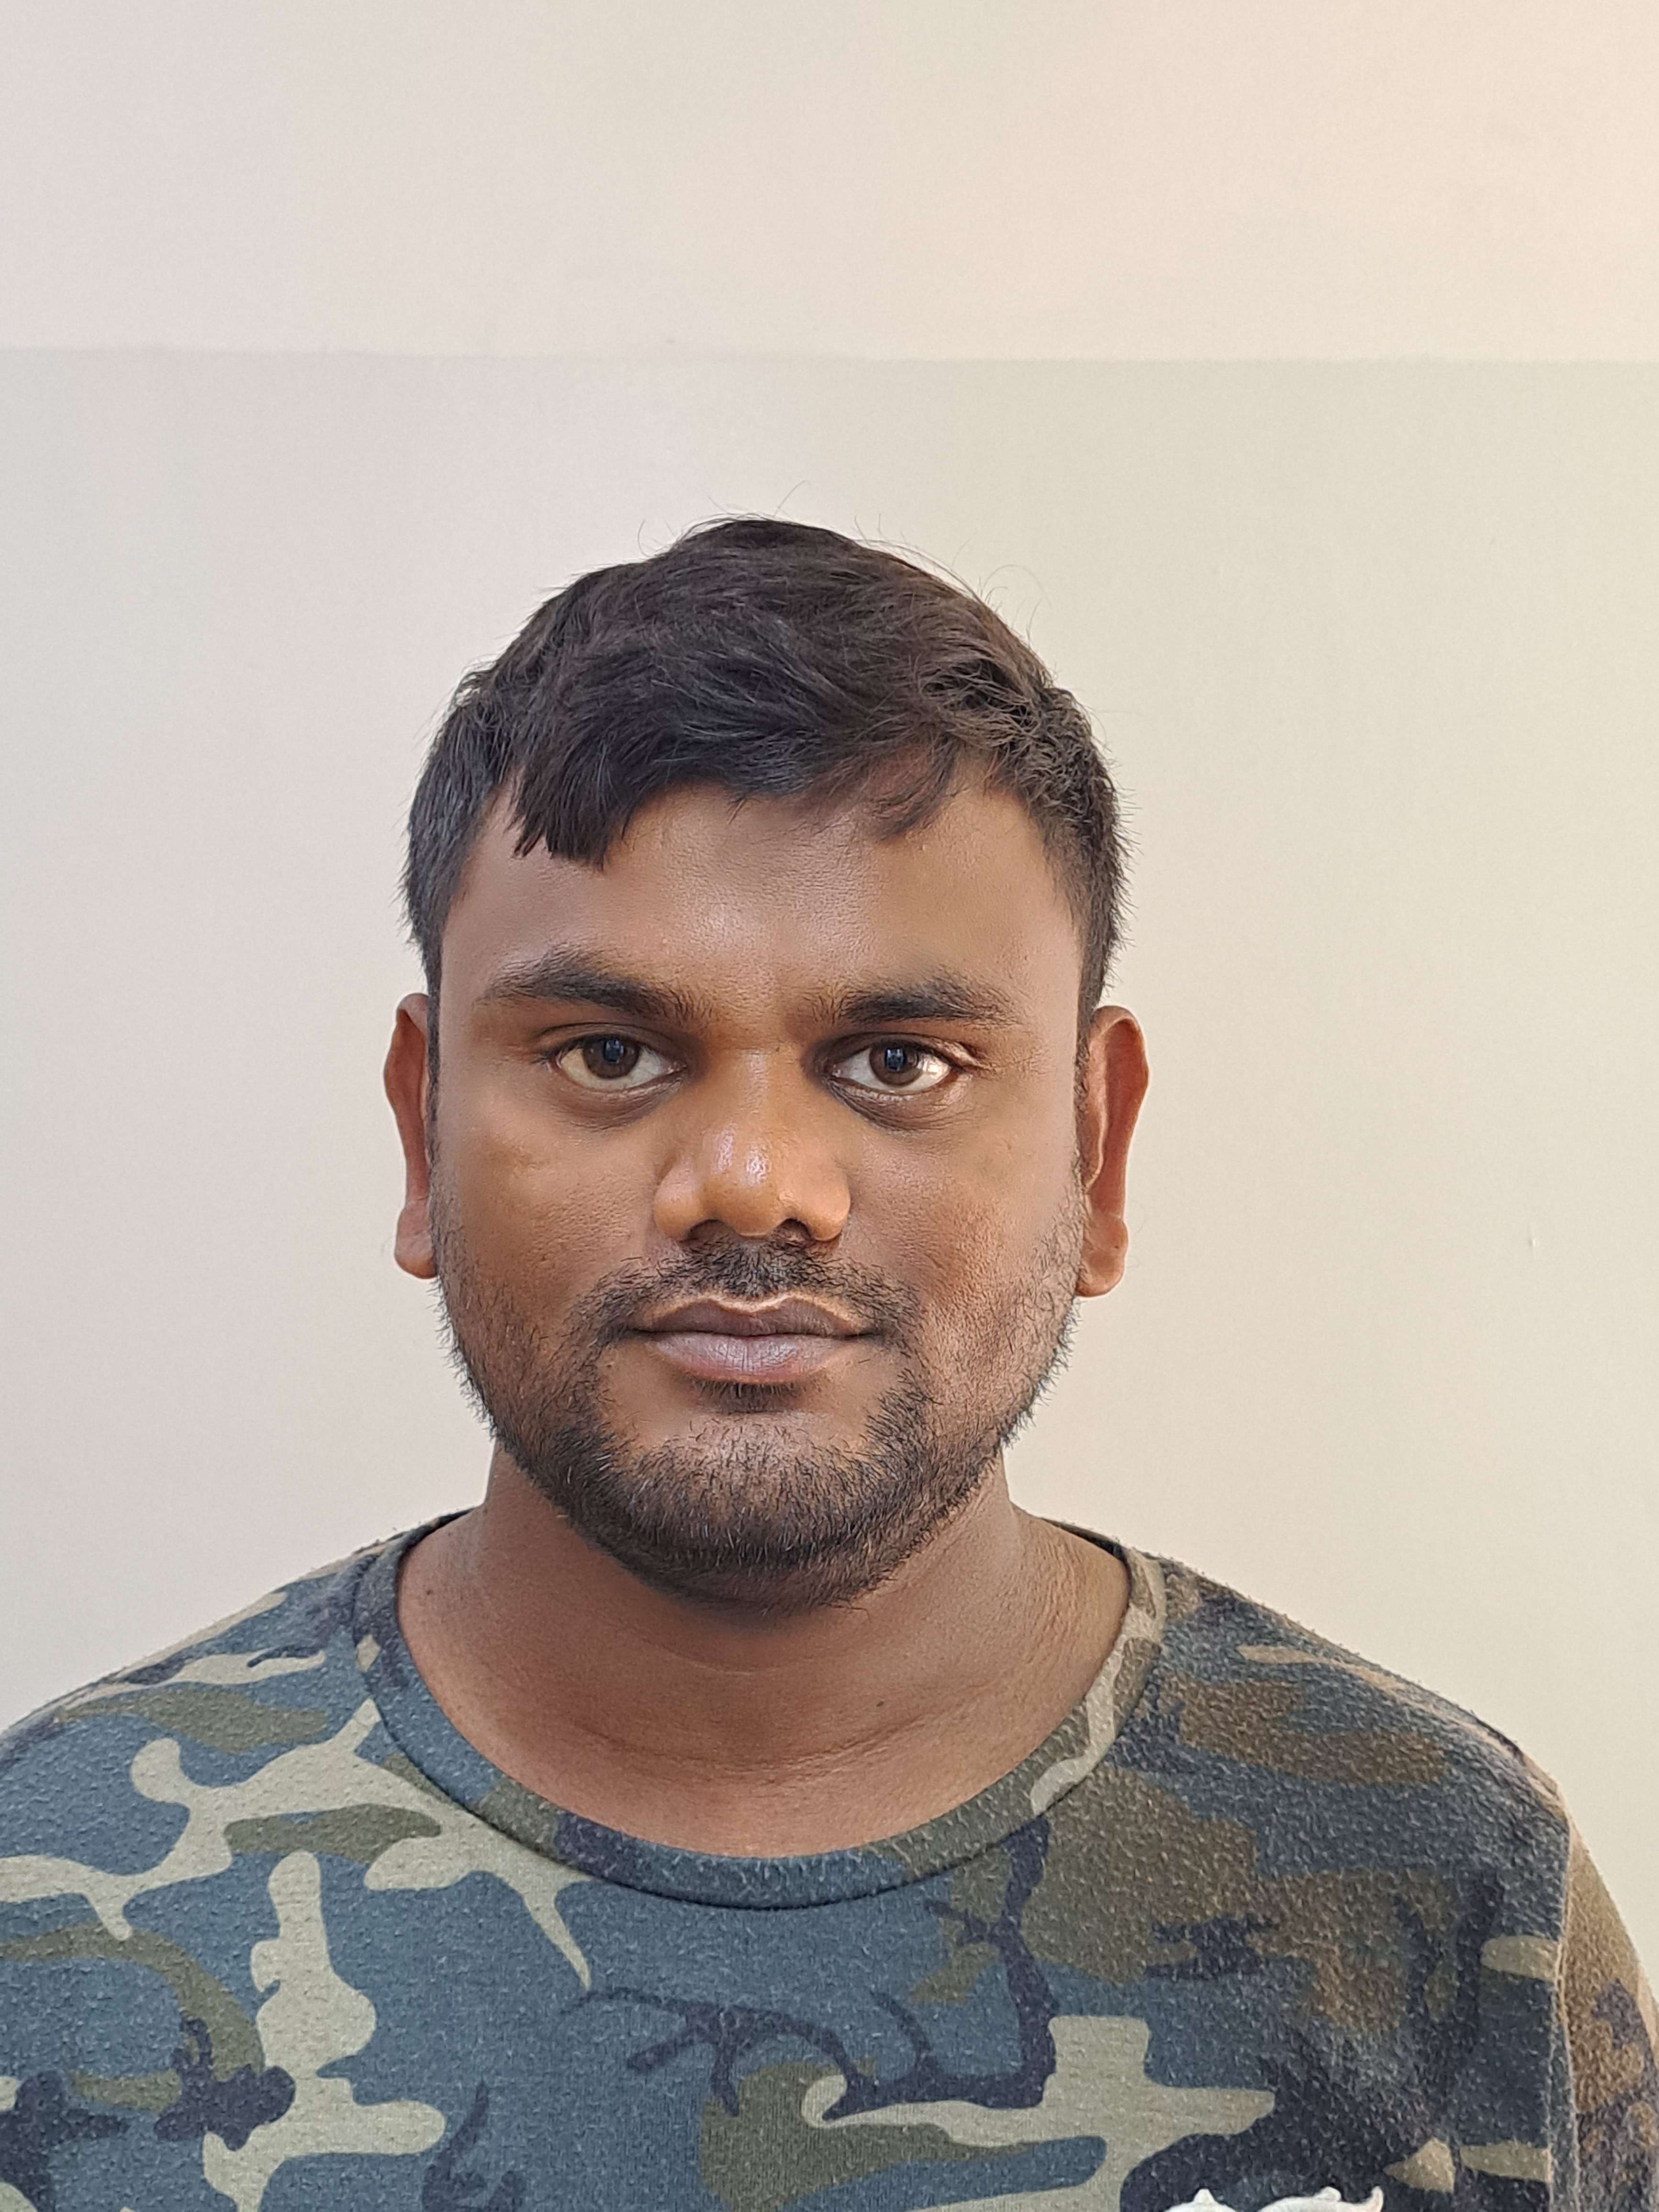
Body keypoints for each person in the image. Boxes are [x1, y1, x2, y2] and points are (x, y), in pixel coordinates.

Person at [0, 520, 1651, 2212]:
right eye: (609, 1052)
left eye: (898, 1061)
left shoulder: (1443, 1891)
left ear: (1097, 1150)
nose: (754, 1185)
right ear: (421, 1133)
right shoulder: (40, 1904)